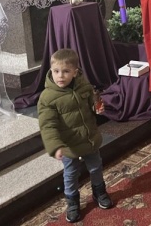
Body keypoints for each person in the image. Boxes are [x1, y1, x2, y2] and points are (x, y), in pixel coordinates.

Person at [37, 49, 113, 223]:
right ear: (51, 70)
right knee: (71, 174)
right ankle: (72, 203)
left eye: (65, 71)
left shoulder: (84, 86)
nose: (60, 76)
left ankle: (99, 192)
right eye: (56, 71)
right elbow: (47, 125)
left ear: (75, 72)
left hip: (88, 139)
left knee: (96, 167)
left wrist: (96, 107)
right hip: (68, 145)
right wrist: (55, 146)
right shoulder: (48, 98)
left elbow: (92, 105)